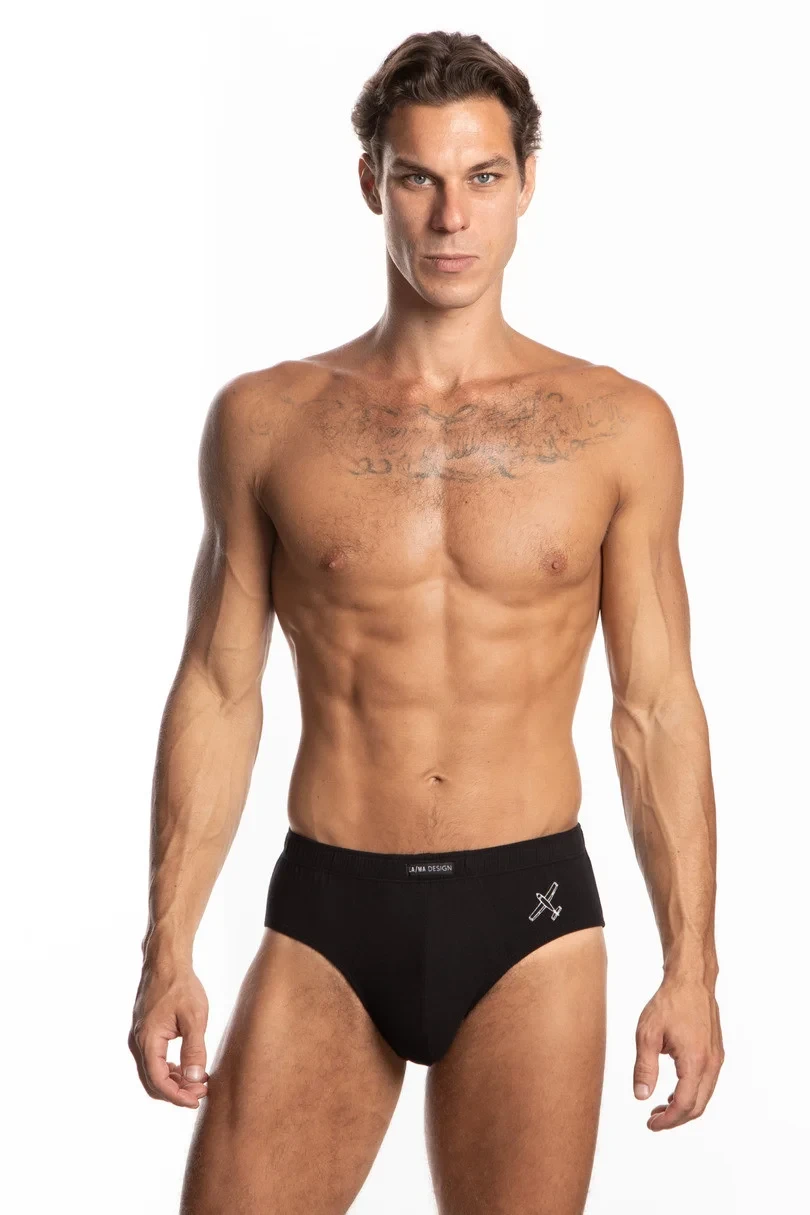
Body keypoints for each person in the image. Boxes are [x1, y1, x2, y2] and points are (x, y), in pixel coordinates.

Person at [129, 29, 724, 1214]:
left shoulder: (618, 426)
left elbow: (655, 707)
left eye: (483, 176)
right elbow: (220, 688)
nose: (452, 217)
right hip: (329, 910)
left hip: (532, 920)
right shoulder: (268, 420)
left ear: (527, 182)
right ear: (372, 183)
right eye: (419, 178)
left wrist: (692, 966)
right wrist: (167, 946)